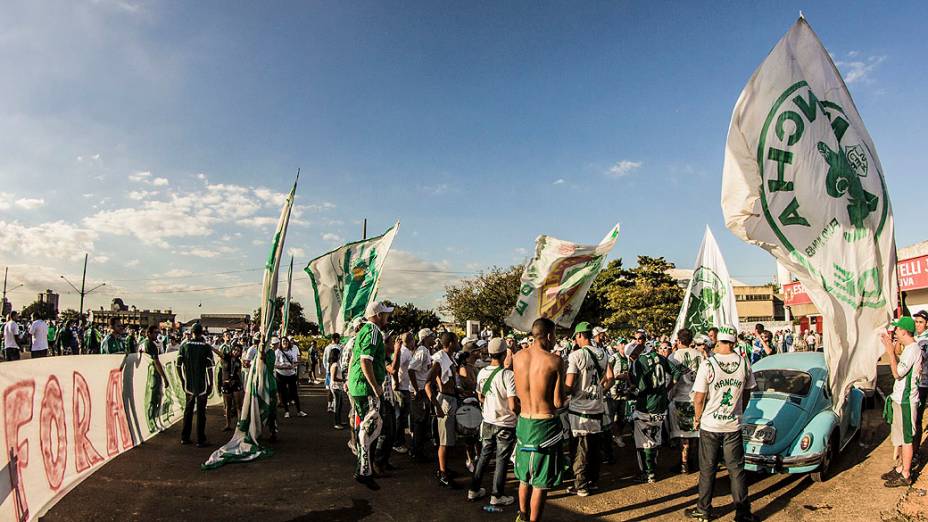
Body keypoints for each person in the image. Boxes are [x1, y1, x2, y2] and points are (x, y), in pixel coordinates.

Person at [685, 330, 757, 522]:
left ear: (718, 341)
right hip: (732, 424)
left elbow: (699, 397)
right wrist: (739, 410)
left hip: (710, 424)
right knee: (736, 470)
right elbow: (748, 391)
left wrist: (697, 418)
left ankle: (704, 510)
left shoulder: (708, 364)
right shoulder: (743, 363)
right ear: (734, 342)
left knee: (708, 469)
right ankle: (742, 513)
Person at [512, 318, 568, 522]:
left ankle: (522, 517)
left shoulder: (517, 357)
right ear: (549, 335)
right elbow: (558, 401)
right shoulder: (554, 361)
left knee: (524, 477)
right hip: (545, 424)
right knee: (540, 482)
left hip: (524, 421)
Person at [467, 337, 519, 506]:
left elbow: (480, 396)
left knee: (484, 455)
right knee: (502, 458)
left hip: (488, 420)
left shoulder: (482, 372)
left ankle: (473, 490)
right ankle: (497, 495)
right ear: (505, 354)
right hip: (505, 422)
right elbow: (512, 404)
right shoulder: (508, 375)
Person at [347, 301, 393, 490]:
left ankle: (366, 469)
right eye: (385, 314)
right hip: (365, 388)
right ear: (377, 316)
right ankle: (364, 470)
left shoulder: (364, 331)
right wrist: (375, 387)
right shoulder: (373, 331)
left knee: (371, 427)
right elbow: (365, 360)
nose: (387, 318)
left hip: (358, 386)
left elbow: (355, 359)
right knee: (371, 427)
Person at [565, 322, 613, 496]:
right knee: (593, 447)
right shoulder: (603, 353)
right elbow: (610, 377)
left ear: (579, 336)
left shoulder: (575, 355)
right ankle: (593, 481)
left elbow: (569, 385)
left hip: (580, 408)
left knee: (579, 449)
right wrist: (600, 391)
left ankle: (581, 485)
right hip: (597, 407)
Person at [881, 316, 923, 487]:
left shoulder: (913, 349)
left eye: (897, 329)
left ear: (904, 331)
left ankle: (905, 474)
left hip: (906, 401)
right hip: (899, 399)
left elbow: (897, 373)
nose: (895, 332)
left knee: (906, 438)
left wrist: (890, 352)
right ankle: (900, 468)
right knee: (900, 435)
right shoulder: (909, 348)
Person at [630, 330, 672, 483]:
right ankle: (653, 467)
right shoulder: (660, 357)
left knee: (643, 440)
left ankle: (648, 473)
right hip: (661, 404)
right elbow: (678, 372)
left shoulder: (638, 362)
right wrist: (666, 389)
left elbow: (642, 387)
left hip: (646, 405)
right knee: (655, 436)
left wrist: (632, 389)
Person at [425, 331, 460, 488]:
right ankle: (443, 473)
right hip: (444, 402)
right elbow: (427, 383)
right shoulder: (439, 360)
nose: (459, 343)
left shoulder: (448, 357)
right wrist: (437, 406)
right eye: (457, 341)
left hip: (450, 399)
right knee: (444, 442)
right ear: (451, 343)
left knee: (450, 440)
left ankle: (445, 469)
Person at [669, 329, 703, 474]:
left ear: (679, 340)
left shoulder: (673, 356)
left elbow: (671, 380)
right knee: (695, 433)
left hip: (680, 398)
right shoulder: (700, 355)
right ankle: (692, 461)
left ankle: (684, 463)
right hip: (696, 398)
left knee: (683, 435)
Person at [177, 323, 215, 447]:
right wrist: (211, 383)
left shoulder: (184, 346)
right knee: (201, 412)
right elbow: (209, 368)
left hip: (189, 384)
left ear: (191, 332)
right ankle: (200, 439)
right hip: (201, 384)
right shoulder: (206, 347)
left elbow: (178, 365)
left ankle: (185, 437)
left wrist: (183, 380)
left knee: (188, 411)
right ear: (202, 332)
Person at [407, 328, 435, 462]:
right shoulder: (422, 351)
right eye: (432, 336)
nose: (434, 338)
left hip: (423, 389)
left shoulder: (425, 350)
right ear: (425, 338)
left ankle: (417, 450)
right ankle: (416, 452)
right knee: (419, 422)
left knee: (422, 422)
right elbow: (411, 369)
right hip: (420, 391)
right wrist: (417, 389)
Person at [141, 324, 168, 430]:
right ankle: (152, 422)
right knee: (154, 399)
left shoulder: (146, 343)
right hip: (153, 374)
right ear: (149, 333)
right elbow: (156, 362)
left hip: (149, 373)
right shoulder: (150, 344)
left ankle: (153, 421)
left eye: (158, 332)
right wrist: (164, 377)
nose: (157, 334)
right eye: (155, 332)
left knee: (154, 398)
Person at [392, 331, 414, 454]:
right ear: (411, 341)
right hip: (401, 388)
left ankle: (399, 441)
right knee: (400, 417)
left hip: (404, 387)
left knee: (401, 416)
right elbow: (394, 369)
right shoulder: (404, 352)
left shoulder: (405, 351)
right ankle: (397, 442)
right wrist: (396, 383)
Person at [275, 337, 307, 418]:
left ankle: (299, 411)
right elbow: (274, 365)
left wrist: (294, 365)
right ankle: (286, 411)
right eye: (283, 341)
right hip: (281, 375)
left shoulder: (292, 350)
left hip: (291, 374)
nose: (285, 342)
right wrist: (283, 367)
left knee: (294, 393)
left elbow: (295, 362)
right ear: (281, 343)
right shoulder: (277, 352)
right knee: (283, 393)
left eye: (286, 341)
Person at [912, 310, 928, 459]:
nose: (917, 324)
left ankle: (915, 452)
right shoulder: (916, 338)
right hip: (918, 382)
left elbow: (920, 359)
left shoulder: (924, 340)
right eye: (916, 321)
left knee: (917, 418)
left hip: (924, 383)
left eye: (921, 322)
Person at [219, 340, 245, 431]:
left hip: (236, 384)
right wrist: (208, 346)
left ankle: (239, 424)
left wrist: (242, 385)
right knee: (227, 406)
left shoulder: (238, 361)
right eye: (235, 350)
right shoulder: (226, 357)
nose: (236, 352)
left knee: (238, 405)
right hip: (226, 384)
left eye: (238, 351)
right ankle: (228, 425)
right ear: (232, 350)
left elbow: (239, 373)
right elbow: (218, 353)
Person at [329, 343, 349, 429]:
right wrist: (343, 380)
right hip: (336, 387)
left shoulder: (336, 364)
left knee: (340, 405)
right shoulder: (335, 365)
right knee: (337, 406)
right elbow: (334, 378)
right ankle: (336, 423)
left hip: (338, 387)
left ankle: (339, 421)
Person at [324, 333, 344, 412]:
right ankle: (335, 406)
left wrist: (327, 369)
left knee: (330, 388)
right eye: (339, 339)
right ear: (336, 339)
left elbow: (324, 360)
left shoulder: (327, 347)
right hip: (337, 369)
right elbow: (341, 359)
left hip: (329, 370)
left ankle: (329, 405)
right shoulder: (339, 347)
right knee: (337, 389)